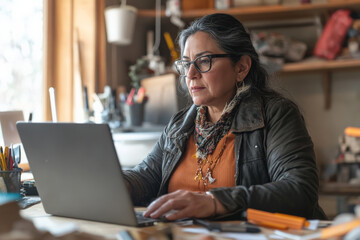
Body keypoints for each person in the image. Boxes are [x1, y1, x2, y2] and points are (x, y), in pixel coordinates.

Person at [123, 13, 327, 221]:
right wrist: (114, 184)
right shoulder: (179, 126)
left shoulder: (275, 114)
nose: (191, 74)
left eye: (204, 61)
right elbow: (146, 177)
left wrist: (215, 201)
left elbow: (300, 190)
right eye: (186, 64)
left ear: (241, 67)